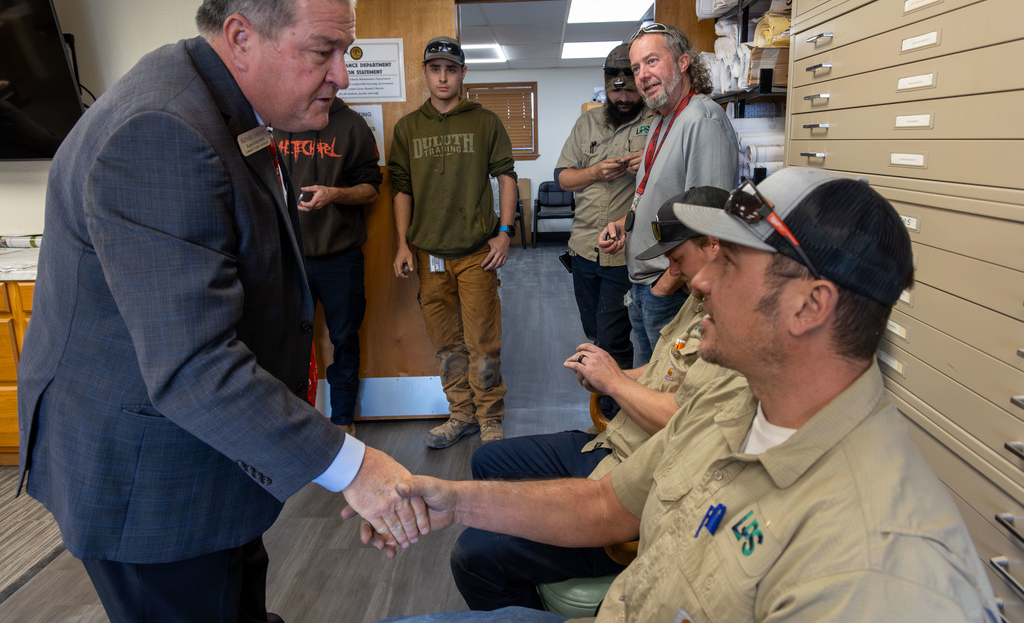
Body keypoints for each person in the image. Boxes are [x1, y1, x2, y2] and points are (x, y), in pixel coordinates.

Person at [370, 167, 1000, 623]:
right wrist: (453, 502)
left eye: (729, 263)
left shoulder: (877, 567)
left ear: (810, 305)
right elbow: (603, 507)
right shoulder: (739, 406)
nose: (700, 281)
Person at [16, 0, 427, 620]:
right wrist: (357, 468)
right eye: (320, 52)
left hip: (211, 460)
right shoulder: (162, 131)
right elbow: (192, 364)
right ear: (240, 36)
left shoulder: (221, 103)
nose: (340, 77)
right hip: (150, 485)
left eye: (344, 56)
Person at [450, 187, 749, 611]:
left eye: (677, 258)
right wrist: (609, 375)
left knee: (473, 554)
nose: (676, 271)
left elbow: (682, 423)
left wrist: (614, 383)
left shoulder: (734, 330)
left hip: (633, 472)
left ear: (714, 245)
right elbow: (664, 367)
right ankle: (525, 572)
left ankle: (529, 583)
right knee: (487, 461)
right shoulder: (701, 299)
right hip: (614, 444)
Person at [390, 36, 517, 449]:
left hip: (477, 252)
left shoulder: (486, 122)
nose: (443, 77)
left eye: (451, 69)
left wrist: (505, 231)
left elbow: (506, 177)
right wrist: (403, 245)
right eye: (435, 69)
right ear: (425, 72)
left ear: (463, 73)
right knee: (446, 344)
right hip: (429, 256)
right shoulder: (408, 128)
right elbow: (401, 189)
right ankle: (461, 414)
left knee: (483, 341)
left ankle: (490, 418)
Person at [598, 23, 738, 367]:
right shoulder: (662, 120)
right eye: (636, 68)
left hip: (670, 289)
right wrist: (624, 224)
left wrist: (664, 287)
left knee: (667, 395)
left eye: (652, 62)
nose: (642, 75)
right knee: (648, 386)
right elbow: (656, 195)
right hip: (645, 284)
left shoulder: (702, 120)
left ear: (683, 62)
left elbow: (708, 226)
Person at [275, 96, 382, 436]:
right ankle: (292, 425)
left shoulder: (352, 125)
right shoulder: (276, 117)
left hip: (341, 257)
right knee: (285, 342)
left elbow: (371, 189)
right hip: (288, 255)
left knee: (344, 339)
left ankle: (342, 422)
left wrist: (334, 194)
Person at [556, 43, 657, 375]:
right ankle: (606, 412)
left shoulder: (657, 122)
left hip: (626, 251)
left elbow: (672, 178)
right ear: (606, 84)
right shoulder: (587, 123)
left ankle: (617, 414)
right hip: (584, 248)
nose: (624, 99)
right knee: (595, 335)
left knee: (614, 339)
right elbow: (564, 179)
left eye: (630, 91)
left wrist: (646, 162)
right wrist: (595, 172)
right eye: (617, 92)